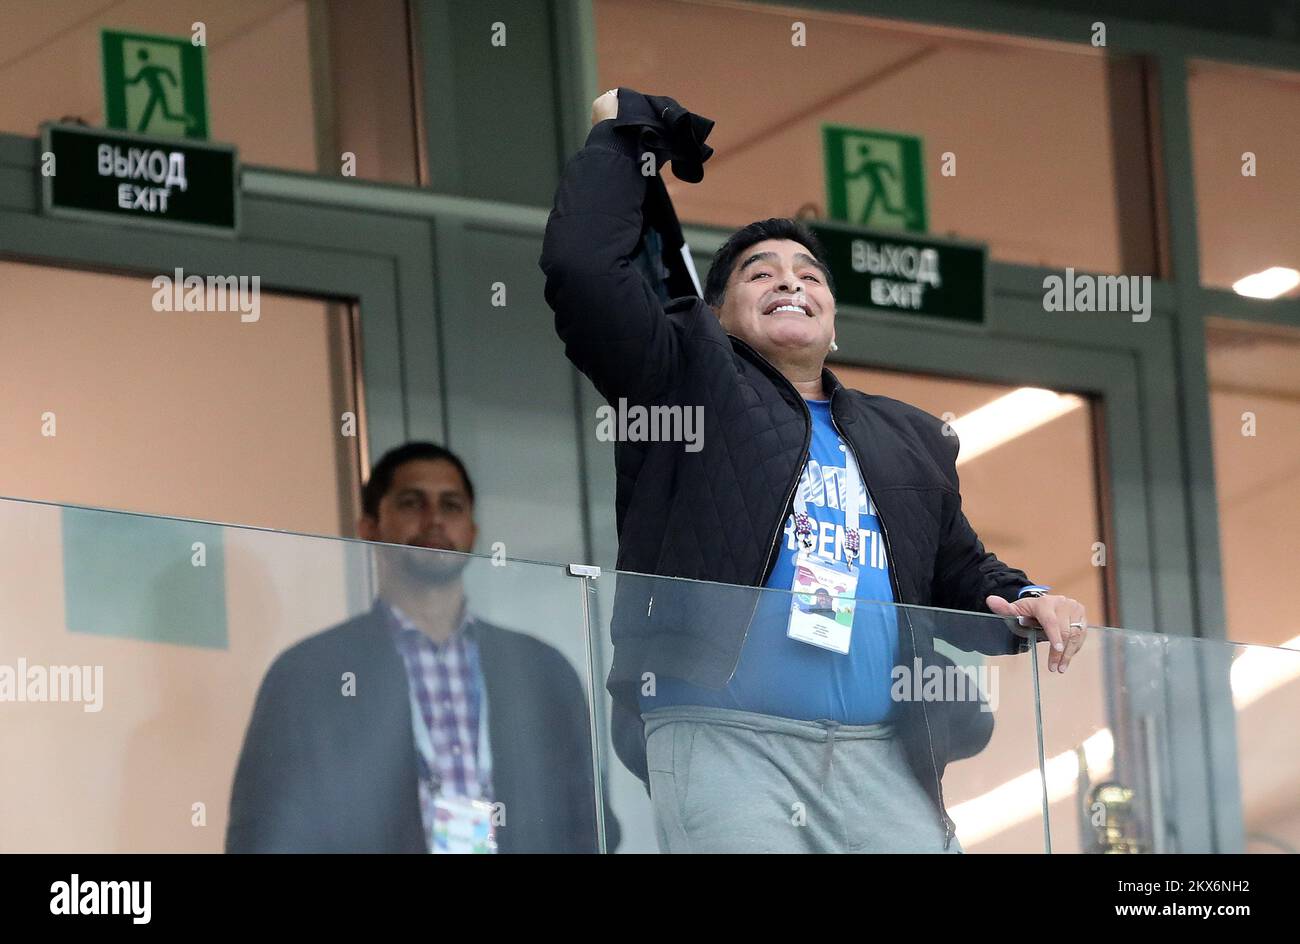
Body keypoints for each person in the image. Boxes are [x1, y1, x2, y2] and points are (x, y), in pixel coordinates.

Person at [539, 88, 1087, 853]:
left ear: (833, 321)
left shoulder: (909, 435)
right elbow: (585, 272)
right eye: (759, 274)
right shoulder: (686, 381)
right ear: (719, 317)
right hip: (727, 741)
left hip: (881, 753)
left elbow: (958, 569)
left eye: (809, 275)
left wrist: (1029, 600)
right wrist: (616, 142)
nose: (790, 282)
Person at [226, 442, 616, 853]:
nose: (434, 521)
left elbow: (591, 828)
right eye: (412, 503)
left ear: (473, 531)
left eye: (451, 506)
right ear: (369, 529)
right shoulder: (308, 673)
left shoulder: (541, 671)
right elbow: (261, 835)